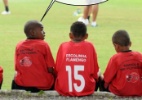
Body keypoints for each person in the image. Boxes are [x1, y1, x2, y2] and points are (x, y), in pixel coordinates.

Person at [55, 21, 100, 96]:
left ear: (70, 35)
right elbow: (95, 72)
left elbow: (57, 70)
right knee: (100, 73)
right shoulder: (90, 46)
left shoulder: (63, 46)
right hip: (86, 90)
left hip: (64, 89)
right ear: (86, 36)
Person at [11, 20, 55, 93]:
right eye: (41, 30)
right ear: (32, 32)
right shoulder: (43, 45)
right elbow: (50, 69)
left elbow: (17, 67)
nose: (44, 32)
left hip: (22, 85)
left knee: (15, 77)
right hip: (42, 85)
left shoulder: (19, 45)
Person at [100, 30, 142, 96]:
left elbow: (106, 79)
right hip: (139, 91)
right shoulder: (139, 55)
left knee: (101, 79)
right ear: (130, 43)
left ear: (116, 46)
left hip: (120, 92)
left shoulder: (115, 58)